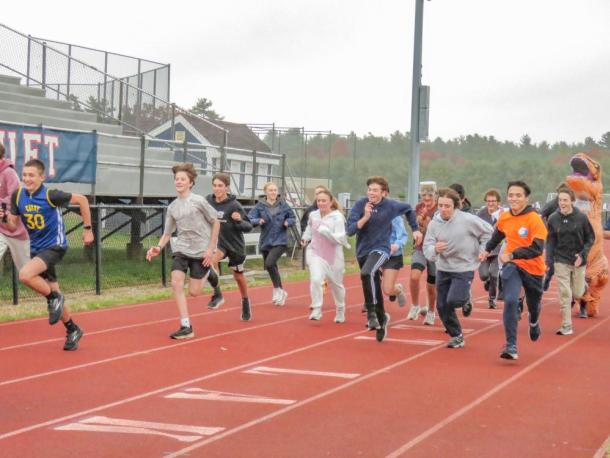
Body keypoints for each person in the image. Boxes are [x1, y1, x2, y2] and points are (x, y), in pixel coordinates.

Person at [0, 158, 93, 351]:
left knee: (25, 275)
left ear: (42, 177)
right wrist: (3, 217)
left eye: (31, 175)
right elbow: (12, 224)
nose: (27, 178)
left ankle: (53, 299)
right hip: (37, 248)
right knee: (54, 293)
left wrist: (88, 229)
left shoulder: (51, 195)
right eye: (24, 175)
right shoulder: (18, 196)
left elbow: (82, 200)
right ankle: (72, 329)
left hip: (55, 246)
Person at [146, 163, 220, 339]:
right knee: (176, 283)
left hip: (202, 250)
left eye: (182, 179)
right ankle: (186, 326)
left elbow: (215, 221)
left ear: (191, 182)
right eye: (176, 179)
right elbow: (167, 233)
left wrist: (211, 249)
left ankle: (210, 273)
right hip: (182, 248)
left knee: (194, 292)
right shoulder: (172, 207)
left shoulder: (199, 201)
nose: (178, 182)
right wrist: (158, 247)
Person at [347, 176, 422, 342]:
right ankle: (381, 319)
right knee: (372, 280)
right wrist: (365, 217)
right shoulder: (360, 205)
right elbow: (350, 230)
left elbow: (409, 209)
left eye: (375, 190)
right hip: (363, 251)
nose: (371, 193)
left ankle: (372, 312)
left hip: (382, 248)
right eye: (369, 190)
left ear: (383, 193)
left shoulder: (391, 206)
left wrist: (415, 229)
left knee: (368, 273)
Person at [480, 181, 548, 361]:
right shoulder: (505, 217)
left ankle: (533, 322)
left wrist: (512, 254)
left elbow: (537, 248)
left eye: (518, 195)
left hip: (534, 268)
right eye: (511, 195)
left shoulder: (535, 219)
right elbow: (498, 234)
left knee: (534, 305)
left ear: (527, 198)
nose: (514, 198)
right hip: (513, 266)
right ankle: (511, 345)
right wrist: (487, 250)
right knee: (510, 300)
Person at [423, 188, 493, 348]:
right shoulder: (434, 224)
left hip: (464, 267)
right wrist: (435, 249)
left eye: (447, 206)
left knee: (454, 300)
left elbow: (489, 232)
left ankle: (465, 298)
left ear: (455, 206)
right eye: (440, 205)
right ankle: (457, 335)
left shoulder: (468, 220)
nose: (443, 209)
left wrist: (483, 250)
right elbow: (427, 247)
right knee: (441, 306)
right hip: (444, 267)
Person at [206, 173, 253, 321]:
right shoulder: (208, 201)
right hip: (219, 243)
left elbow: (249, 226)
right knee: (211, 260)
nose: (217, 188)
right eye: (214, 185)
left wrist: (239, 220)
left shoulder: (234, 205)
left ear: (226, 187)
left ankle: (245, 301)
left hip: (235, 245)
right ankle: (218, 294)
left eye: (220, 186)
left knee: (238, 277)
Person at [546, 188, 594, 334]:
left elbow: (590, 238)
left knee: (578, 293)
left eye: (565, 200)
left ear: (572, 201)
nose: (562, 203)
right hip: (561, 260)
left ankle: (583, 286)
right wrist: (549, 260)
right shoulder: (553, 218)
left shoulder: (581, 218)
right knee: (565, 293)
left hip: (578, 260)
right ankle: (566, 325)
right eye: (560, 200)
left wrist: (582, 254)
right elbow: (551, 241)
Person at [301, 189, 349, 322]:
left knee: (336, 285)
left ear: (331, 202)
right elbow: (309, 229)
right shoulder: (313, 215)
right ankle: (317, 308)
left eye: (324, 201)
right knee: (316, 279)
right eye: (318, 201)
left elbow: (340, 238)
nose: (321, 203)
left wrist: (327, 233)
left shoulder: (337, 217)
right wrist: (305, 238)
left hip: (333, 255)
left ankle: (340, 308)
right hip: (316, 252)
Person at [248, 181, 296, 306]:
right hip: (266, 240)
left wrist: (287, 222)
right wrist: (259, 220)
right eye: (271, 190)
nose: (273, 192)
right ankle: (281, 291)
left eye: (275, 190)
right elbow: (249, 218)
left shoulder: (283, 204)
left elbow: (292, 217)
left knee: (270, 263)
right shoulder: (260, 206)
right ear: (266, 192)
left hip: (281, 240)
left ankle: (276, 289)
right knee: (271, 266)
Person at [407, 183, 438, 325]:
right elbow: (415, 226)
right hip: (420, 247)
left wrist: (427, 222)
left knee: (431, 286)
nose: (426, 198)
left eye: (429, 195)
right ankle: (414, 305)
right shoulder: (419, 207)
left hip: (434, 250)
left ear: (435, 195)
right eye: (423, 195)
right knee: (414, 276)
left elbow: (436, 229)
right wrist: (419, 222)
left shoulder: (439, 208)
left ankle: (431, 311)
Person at [0, 143, 30, 273]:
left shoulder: (8, 172)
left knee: (27, 272)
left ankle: (52, 291)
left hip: (15, 228)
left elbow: (16, 197)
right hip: (1, 228)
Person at [476, 189, 502, 308]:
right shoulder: (481, 214)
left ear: (498, 202)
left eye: (493, 201)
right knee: (484, 275)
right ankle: (487, 282)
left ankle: (492, 299)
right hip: (484, 250)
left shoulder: (503, 214)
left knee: (494, 274)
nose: (490, 203)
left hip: (498, 250)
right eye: (488, 201)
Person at [382, 215, 408, 309]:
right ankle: (371, 306)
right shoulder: (369, 213)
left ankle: (397, 290)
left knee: (388, 290)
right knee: (371, 280)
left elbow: (403, 235)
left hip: (392, 255)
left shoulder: (395, 216)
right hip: (376, 254)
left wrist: (397, 245)